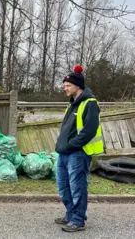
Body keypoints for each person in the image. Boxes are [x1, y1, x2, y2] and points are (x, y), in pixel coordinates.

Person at [54, 65, 104, 232]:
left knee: (77, 187)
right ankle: (70, 214)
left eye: (68, 86)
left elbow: (89, 131)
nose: (65, 89)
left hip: (78, 153)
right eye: (64, 86)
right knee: (63, 186)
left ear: (77, 85)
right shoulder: (72, 104)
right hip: (64, 153)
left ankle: (78, 220)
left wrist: (71, 145)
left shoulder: (90, 103)